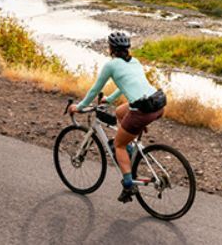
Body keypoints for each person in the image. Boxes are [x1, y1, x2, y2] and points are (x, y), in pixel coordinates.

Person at [67, 31, 166, 203]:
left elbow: (94, 90)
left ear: (111, 48)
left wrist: (80, 107)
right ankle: (130, 145)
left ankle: (128, 184)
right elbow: (125, 84)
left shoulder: (111, 65)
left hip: (142, 110)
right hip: (158, 104)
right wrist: (110, 99)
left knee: (118, 145)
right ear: (127, 48)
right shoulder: (134, 62)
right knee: (120, 111)